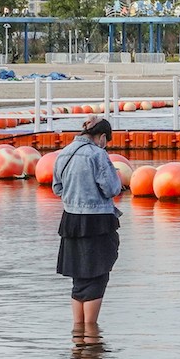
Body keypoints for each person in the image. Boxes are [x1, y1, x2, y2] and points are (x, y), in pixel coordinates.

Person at [52, 118, 125, 341]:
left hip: (71, 221)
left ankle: (79, 337)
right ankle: (92, 338)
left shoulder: (64, 153)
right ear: (102, 137)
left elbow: (57, 188)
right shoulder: (97, 154)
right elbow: (111, 188)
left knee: (79, 277)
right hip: (97, 221)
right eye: (106, 141)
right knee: (97, 274)